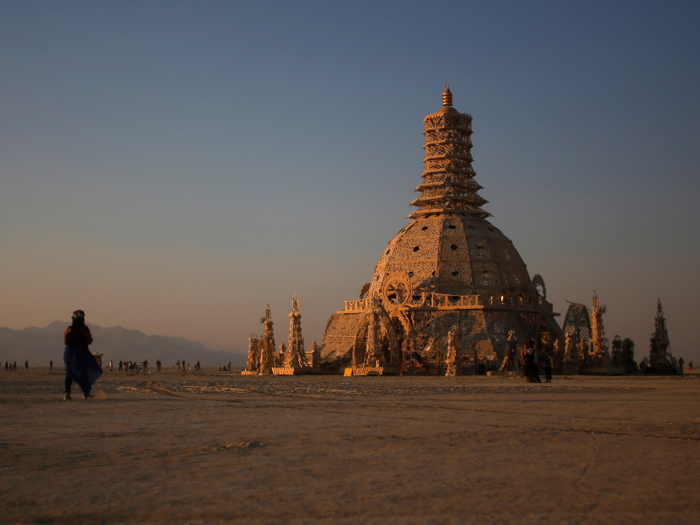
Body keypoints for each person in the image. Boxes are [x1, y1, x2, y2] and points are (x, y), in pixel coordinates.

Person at [63, 310, 102, 400]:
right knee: (85, 371)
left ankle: (67, 393)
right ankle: (86, 392)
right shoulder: (84, 329)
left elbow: (65, 341)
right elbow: (88, 341)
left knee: (69, 372)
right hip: (81, 351)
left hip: (69, 351)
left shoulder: (69, 329)